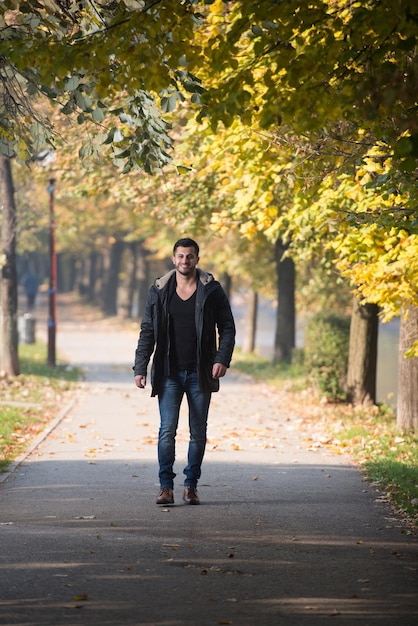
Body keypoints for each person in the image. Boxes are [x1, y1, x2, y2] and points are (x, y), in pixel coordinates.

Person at [133, 237, 235, 506]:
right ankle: (165, 486)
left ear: (197, 259)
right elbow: (148, 330)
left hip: (201, 372)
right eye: (180, 256)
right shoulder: (159, 290)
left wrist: (222, 358)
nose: (184, 261)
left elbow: (227, 327)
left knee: (197, 432)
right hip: (168, 373)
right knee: (167, 430)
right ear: (173, 258)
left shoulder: (211, 290)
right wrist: (140, 366)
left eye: (189, 256)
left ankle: (191, 486)